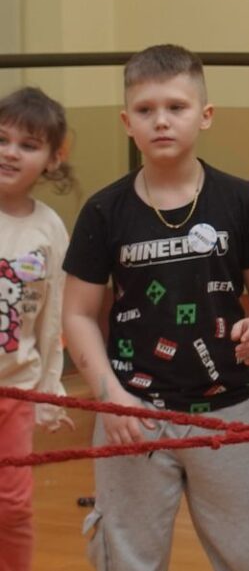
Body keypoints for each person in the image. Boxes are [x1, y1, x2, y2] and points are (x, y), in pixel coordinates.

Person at [62, 44, 249, 569]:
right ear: (127, 122)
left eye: (176, 107)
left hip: (232, 408)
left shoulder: (241, 199)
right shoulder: (103, 210)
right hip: (133, 413)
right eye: (145, 110)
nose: (161, 121)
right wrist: (109, 397)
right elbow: (77, 314)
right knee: (127, 558)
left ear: (205, 115)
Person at [0, 86, 75, 570]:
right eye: (1, 139)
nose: (10, 152)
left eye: (27, 145)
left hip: (16, 391)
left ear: (52, 159)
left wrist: (50, 391)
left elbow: (53, 319)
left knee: (13, 505)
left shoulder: (49, 229)